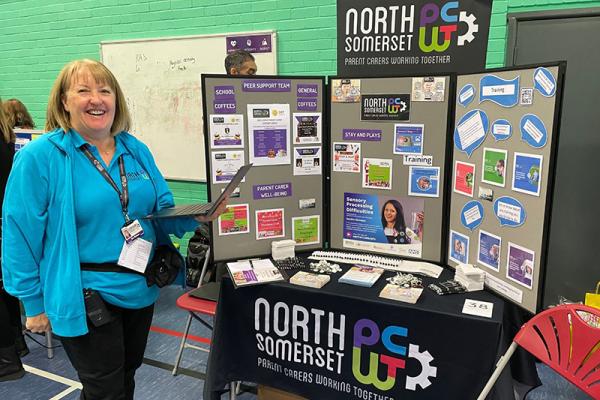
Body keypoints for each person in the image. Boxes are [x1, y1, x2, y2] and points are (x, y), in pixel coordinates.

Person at [1, 59, 228, 399]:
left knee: (125, 377)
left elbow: (160, 209)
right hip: (85, 291)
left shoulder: (133, 149)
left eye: (104, 90)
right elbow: (19, 233)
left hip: (140, 286)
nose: (97, 99)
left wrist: (196, 217)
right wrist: (32, 303)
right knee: (104, 388)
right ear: (64, 101)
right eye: (83, 91)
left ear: (116, 100)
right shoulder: (40, 157)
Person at [0, 98, 26, 382]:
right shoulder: (7, 134)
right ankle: (16, 344)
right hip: (5, 221)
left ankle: (8, 359)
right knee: (4, 287)